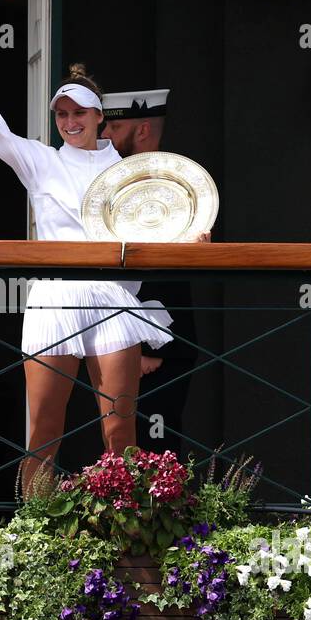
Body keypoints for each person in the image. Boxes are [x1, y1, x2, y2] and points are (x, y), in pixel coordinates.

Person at [0, 16, 178, 496]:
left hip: (112, 296)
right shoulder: (42, 160)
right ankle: (37, 535)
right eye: (62, 115)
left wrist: (191, 236)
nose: (71, 122)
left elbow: (162, 227)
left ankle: (128, 528)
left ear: (100, 117)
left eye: (80, 113)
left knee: (120, 428)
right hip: (54, 296)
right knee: (43, 431)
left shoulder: (132, 171)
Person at [100, 88, 205, 455]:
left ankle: (157, 513)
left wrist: (148, 342)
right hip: (110, 332)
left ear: (142, 130)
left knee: (154, 444)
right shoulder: (105, 179)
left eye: (115, 126)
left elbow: (164, 264)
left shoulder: (177, 184)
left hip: (158, 342)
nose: (106, 134)